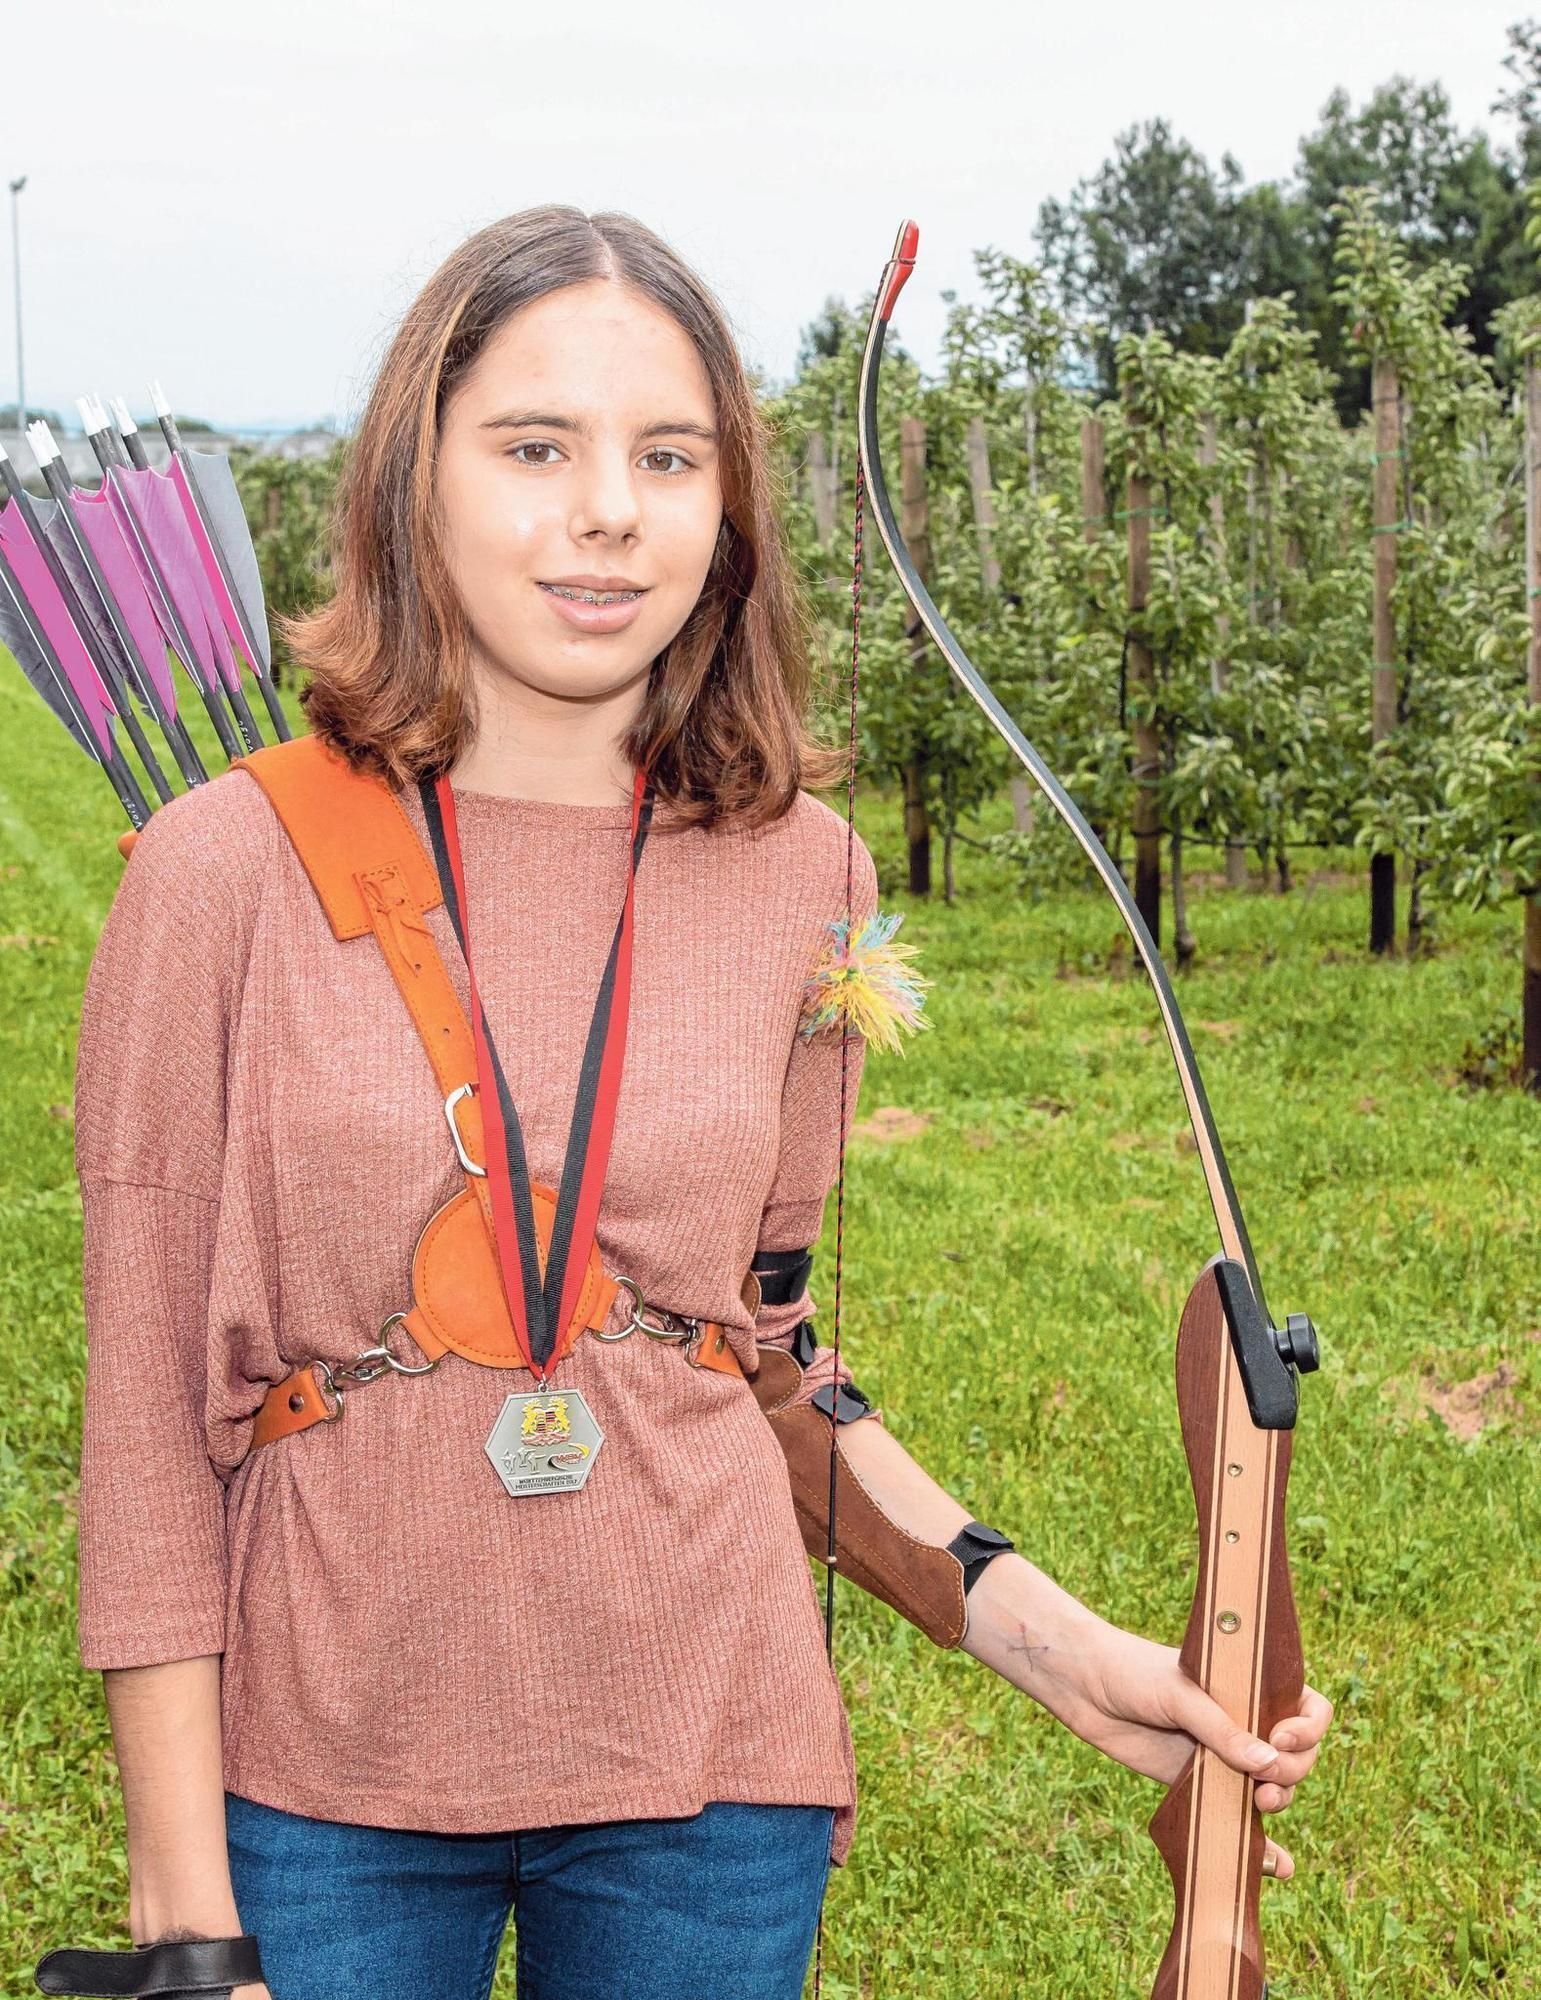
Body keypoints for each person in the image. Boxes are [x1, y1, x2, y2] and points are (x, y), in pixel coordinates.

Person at [66, 205, 1331, 2000]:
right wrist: (189, 1919)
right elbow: (140, 1428)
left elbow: (764, 1357)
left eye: (667, 455)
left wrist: (1056, 1649)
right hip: (320, 1781)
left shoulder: (801, 870)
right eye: (534, 448)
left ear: (726, 506)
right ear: (410, 482)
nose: (608, 510)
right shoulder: (223, 870)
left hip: (709, 1769)